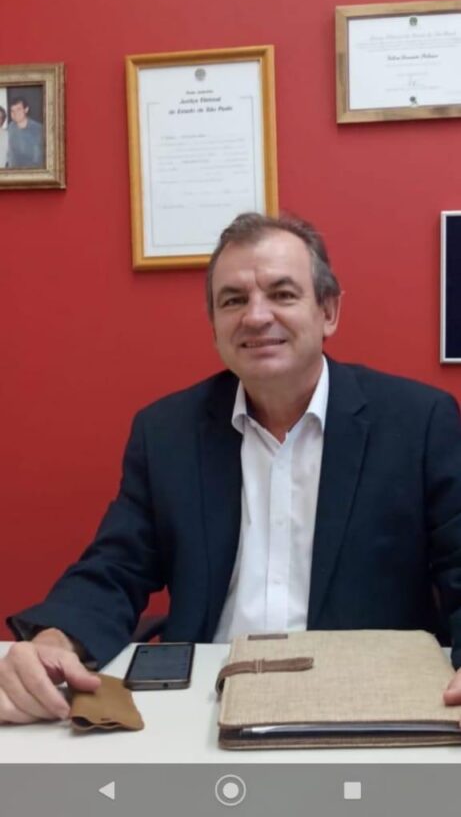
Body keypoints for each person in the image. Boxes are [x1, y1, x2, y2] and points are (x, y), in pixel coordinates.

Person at [2, 210, 461, 725]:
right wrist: (56, 639)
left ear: (328, 311)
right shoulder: (167, 433)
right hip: (203, 701)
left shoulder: (418, 422)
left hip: (367, 698)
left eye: (282, 294)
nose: (256, 316)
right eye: (233, 300)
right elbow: (117, 565)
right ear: (215, 325)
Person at [7, 96, 44, 168]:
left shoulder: (38, 130)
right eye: (12, 111)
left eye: (18, 109)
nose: (15, 113)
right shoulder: (10, 128)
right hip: (13, 171)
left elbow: (40, 158)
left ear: (26, 109)